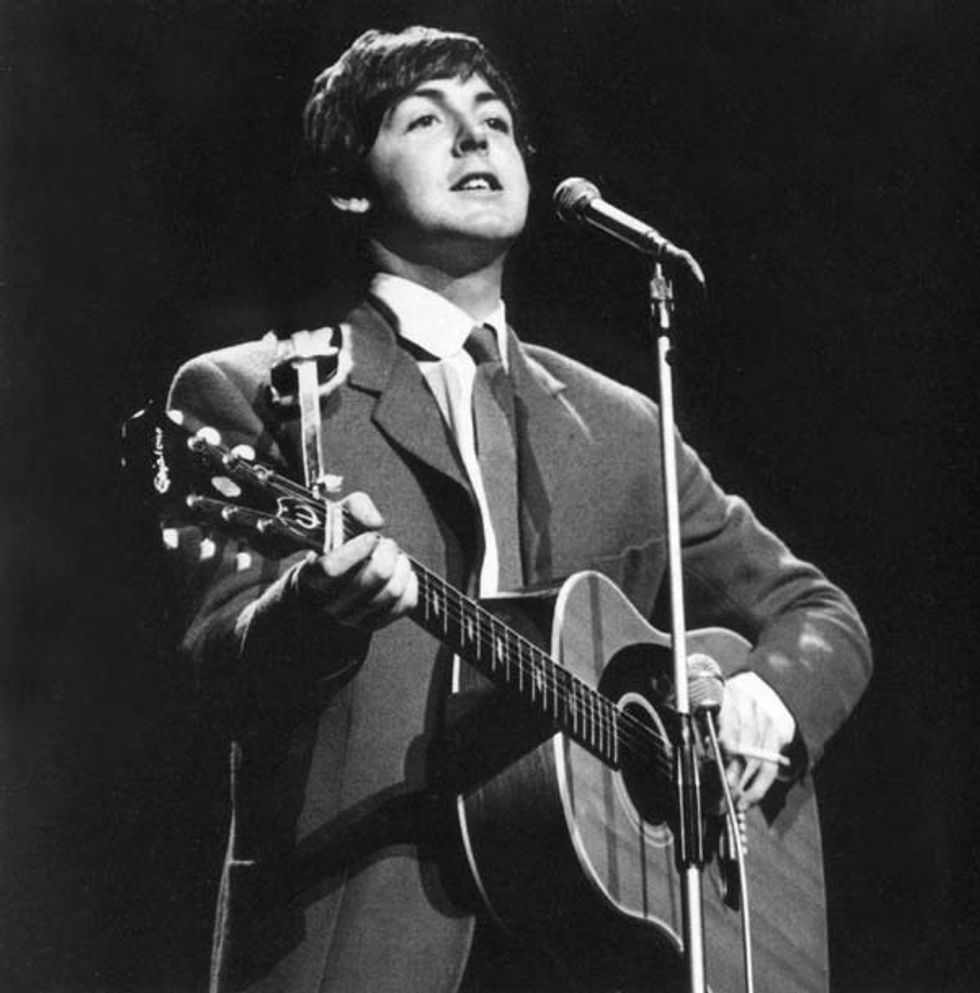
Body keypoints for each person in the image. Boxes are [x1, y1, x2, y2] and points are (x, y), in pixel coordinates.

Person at [166, 25, 871, 993]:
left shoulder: (622, 429)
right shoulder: (264, 394)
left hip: (597, 953)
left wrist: (770, 697)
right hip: (355, 943)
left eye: (494, 121)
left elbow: (818, 614)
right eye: (426, 120)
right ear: (349, 185)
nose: (475, 139)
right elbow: (218, 667)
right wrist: (314, 610)